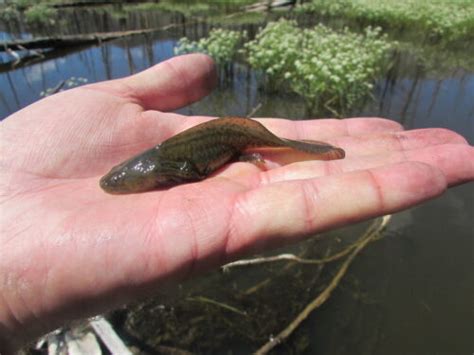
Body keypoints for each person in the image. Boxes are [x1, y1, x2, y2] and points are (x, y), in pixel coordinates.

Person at [0, 53, 473, 353]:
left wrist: (240, 152)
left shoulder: (173, 164)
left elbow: (190, 168)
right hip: (198, 149)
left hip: (227, 141)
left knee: (267, 143)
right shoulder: (144, 168)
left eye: (120, 181)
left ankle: (276, 148)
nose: (118, 183)